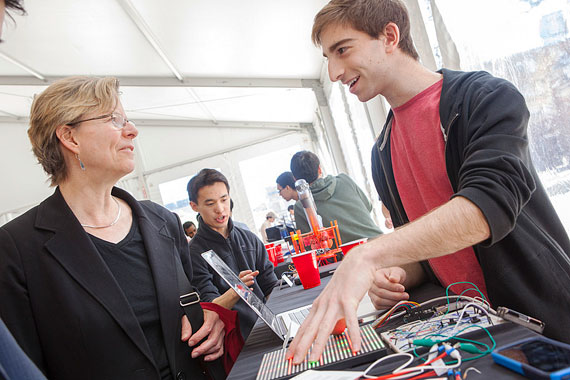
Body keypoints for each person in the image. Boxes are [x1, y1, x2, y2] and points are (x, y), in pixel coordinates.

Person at [288, 0, 570, 363]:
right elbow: (424, 250)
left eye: (342, 50)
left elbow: (486, 208)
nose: (333, 72)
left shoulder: (484, 98)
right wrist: (396, 274)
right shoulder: (382, 152)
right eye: (327, 57)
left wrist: (368, 256)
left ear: (389, 36)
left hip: (542, 326)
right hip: (468, 336)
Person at [0, 77, 225, 380]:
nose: (132, 130)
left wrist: (211, 318)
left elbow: (193, 298)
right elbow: (23, 369)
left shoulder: (163, 222)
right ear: (70, 137)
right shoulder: (17, 249)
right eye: (114, 119)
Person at [187, 169, 278, 339]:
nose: (220, 209)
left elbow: (270, 286)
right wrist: (237, 290)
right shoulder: (194, 253)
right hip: (235, 340)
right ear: (194, 206)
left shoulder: (249, 239)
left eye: (224, 199)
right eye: (210, 203)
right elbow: (210, 307)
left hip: (269, 328)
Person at [290, 150, 382, 243]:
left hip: (350, 255)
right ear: (319, 169)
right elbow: (368, 207)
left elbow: (307, 244)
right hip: (380, 241)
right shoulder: (345, 180)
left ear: (295, 179)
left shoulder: (301, 206)